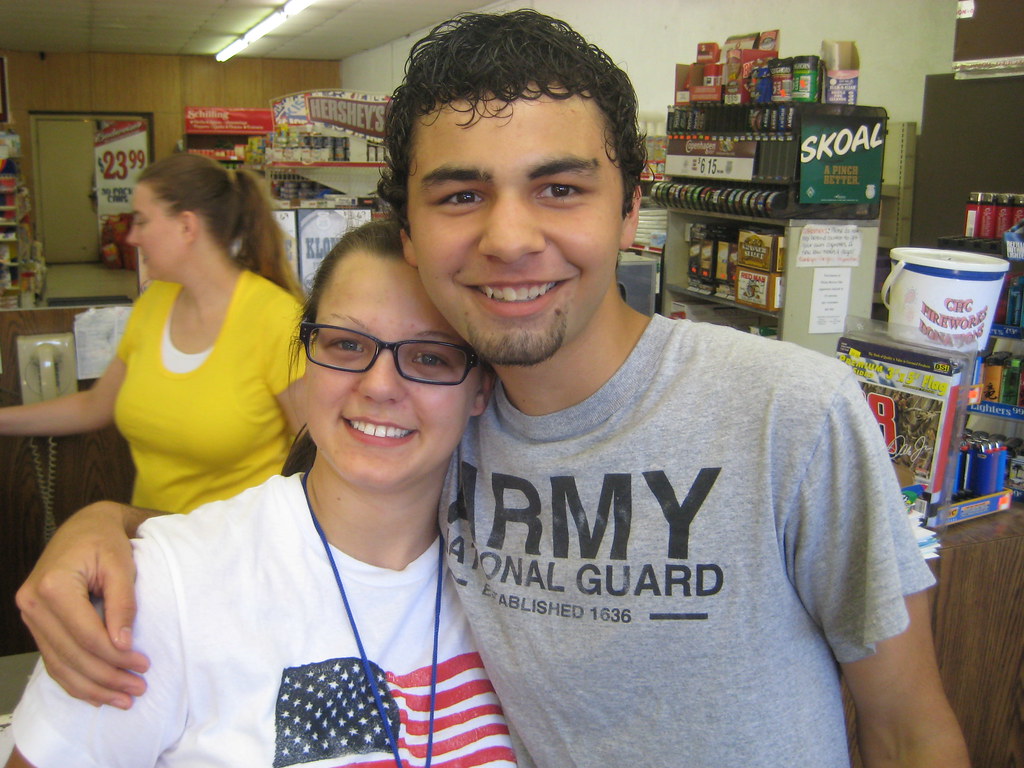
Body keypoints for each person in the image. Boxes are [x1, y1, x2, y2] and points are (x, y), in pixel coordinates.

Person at [16, 10, 970, 768]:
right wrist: (104, 522)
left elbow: (910, 734)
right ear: (409, 223)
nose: (510, 238)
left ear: (633, 206)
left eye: (560, 188)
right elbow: (287, 533)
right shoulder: (447, 422)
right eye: (462, 194)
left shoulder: (793, 413)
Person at [7, 219, 515, 767]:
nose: (380, 385)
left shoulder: (528, 580)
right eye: (347, 345)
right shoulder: (160, 593)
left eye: (430, 357)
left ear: (481, 387)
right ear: (306, 355)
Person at [0, 152, 305, 515]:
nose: (132, 237)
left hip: (240, 549)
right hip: (154, 539)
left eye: (142, 221)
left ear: (186, 227)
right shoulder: (154, 303)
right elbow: (94, 406)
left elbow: (314, 449)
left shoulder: (274, 318)